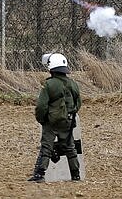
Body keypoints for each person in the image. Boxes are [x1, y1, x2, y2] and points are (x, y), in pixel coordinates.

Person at [28, 53, 82, 182]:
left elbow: (41, 106)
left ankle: (39, 175)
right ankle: (76, 175)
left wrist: (42, 119)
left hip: (51, 122)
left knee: (46, 147)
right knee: (70, 147)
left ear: (51, 68)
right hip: (68, 121)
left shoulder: (48, 85)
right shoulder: (73, 84)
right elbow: (78, 103)